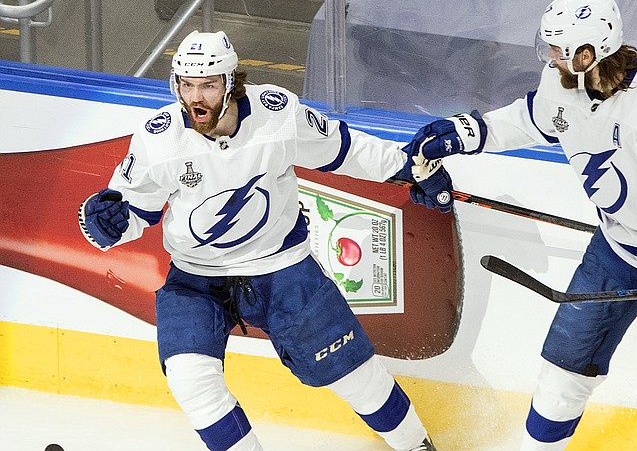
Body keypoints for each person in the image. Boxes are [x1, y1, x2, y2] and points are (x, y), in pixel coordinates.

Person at [77, 30, 449, 451]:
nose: (196, 97)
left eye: (209, 85)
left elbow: (341, 148)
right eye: (187, 85)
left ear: (232, 82)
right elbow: (130, 211)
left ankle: (417, 446)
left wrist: (407, 167)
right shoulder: (158, 136)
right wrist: (105, 224)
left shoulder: (277, 113)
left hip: (282, 269)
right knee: (189, 379)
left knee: (353, 374)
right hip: (196, 280)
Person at [405, 0, 637, 451]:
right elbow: (530, 119)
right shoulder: (562, 83)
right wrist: (467, 132)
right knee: (561, 378)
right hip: (618, 246)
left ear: (588, 54)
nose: (551, 59)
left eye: (560, 51)